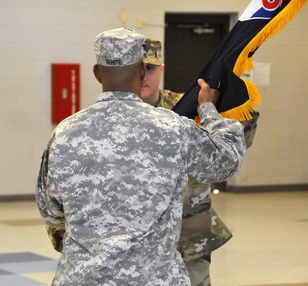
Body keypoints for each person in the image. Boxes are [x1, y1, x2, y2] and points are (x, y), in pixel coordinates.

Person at [36, 27, 246, 286]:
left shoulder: (65, 132)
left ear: (97, 73)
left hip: (81, 278)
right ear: (140, 71)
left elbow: (51, 210)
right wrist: (208, 111)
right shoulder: (173, 128)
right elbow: (227, 160)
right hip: (153, 278)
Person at [141, 37, 259, 286]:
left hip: (190, 239)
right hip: (137, 245)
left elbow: (238, 142)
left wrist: (223, 104)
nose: (144, 76)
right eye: (138, 69)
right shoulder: (113, 117)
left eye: (150, 68)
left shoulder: (190, 107)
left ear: (161, 70)